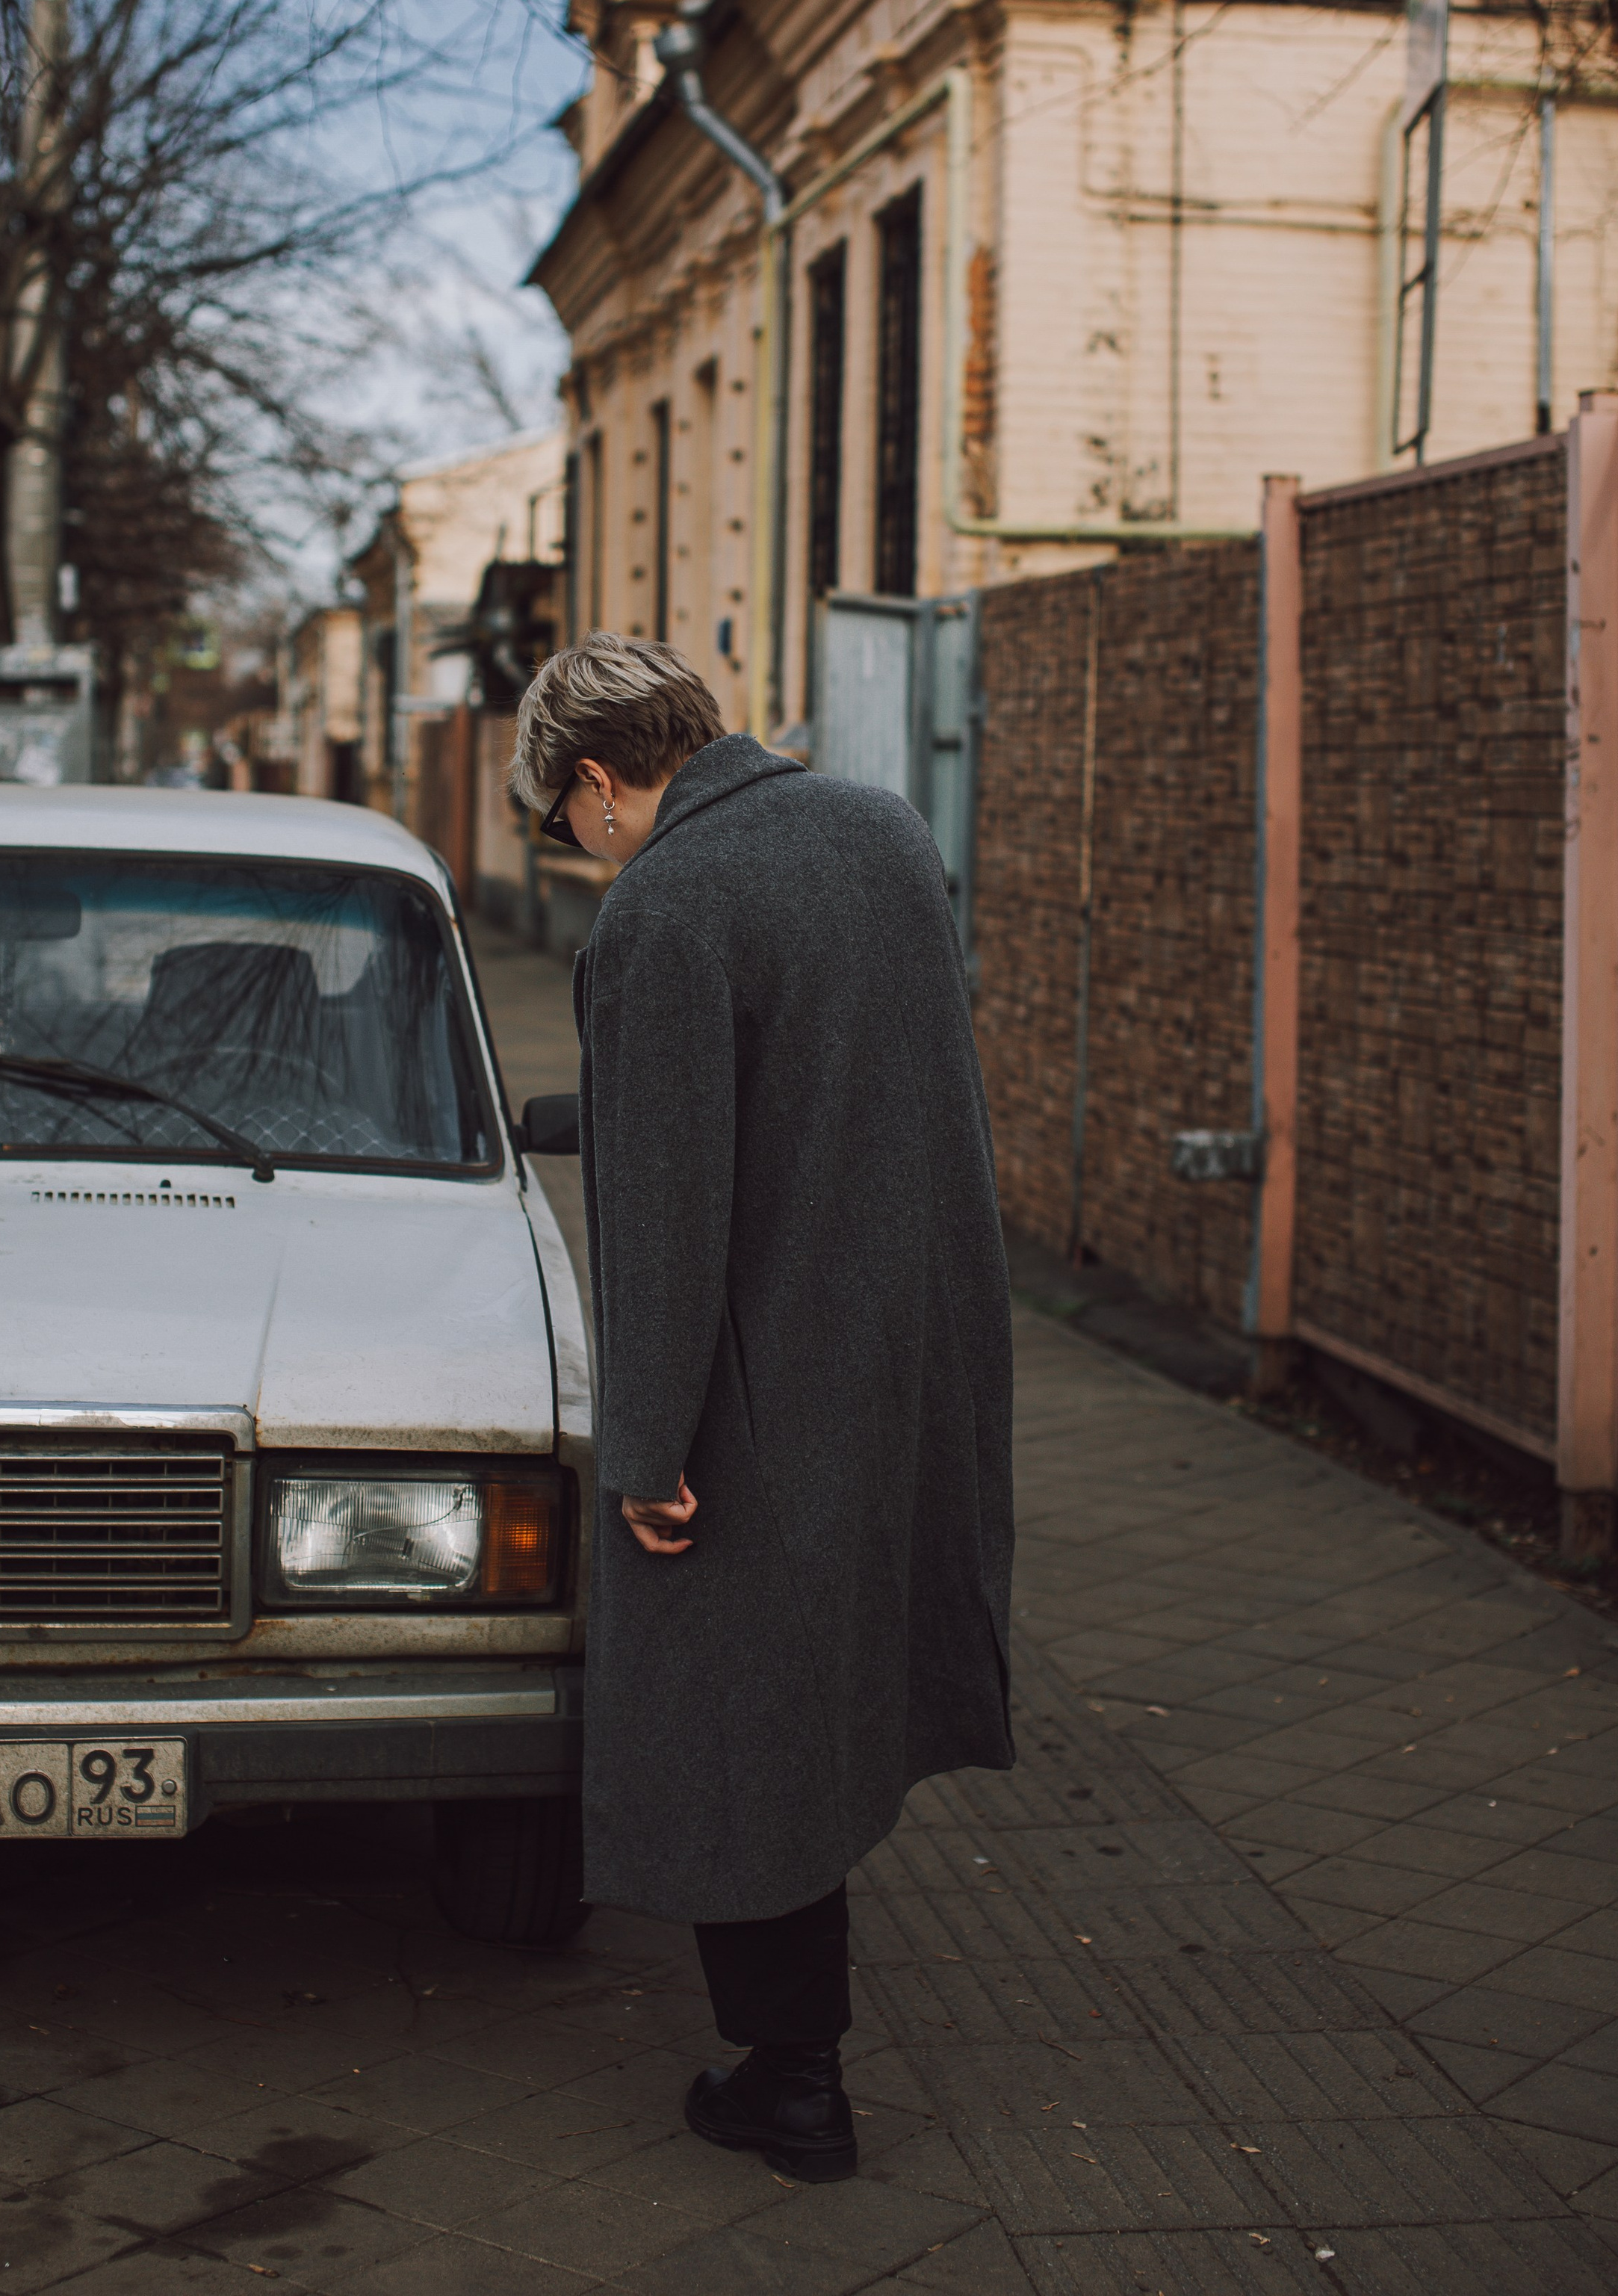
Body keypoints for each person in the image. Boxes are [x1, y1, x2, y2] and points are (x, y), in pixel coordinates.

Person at [510, 632, 1015, 2185]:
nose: (573, 855)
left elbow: (662, 1218)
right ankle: (795, 2045)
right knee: (837, 1691)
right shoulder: (875, 826)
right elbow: (831, 1069)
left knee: (736, 1716)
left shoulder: (661, 906)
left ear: (598, 785)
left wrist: (647, 1448)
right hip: (910, 1348)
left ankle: (789, 2084)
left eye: (557, 823)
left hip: (757, 1382)